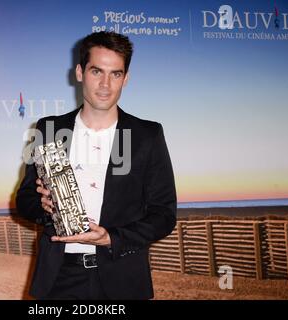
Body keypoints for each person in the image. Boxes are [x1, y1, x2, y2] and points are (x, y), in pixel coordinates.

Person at [16, 31, 176, 300]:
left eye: (115, 74)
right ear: (79, 72)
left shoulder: (147, 135)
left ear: (126, 78)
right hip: (59, 279)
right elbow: (25, 199)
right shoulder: (49, 129)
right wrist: (46, 209)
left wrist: (111, 238)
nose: (105, 84)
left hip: (122, 278)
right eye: (96, 71)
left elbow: (164, 215)